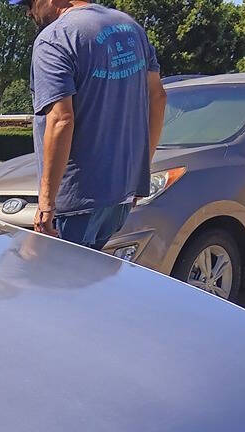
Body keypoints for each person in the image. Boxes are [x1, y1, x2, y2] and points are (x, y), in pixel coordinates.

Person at [10, 0, 167, 250]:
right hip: (119, 198)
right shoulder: (131, 28)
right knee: (88, 281)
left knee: (60, 284)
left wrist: (47, 204)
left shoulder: (54, 38)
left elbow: (61, 120)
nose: (29, 12)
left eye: (28, 4)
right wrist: (138, 174)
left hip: (76, 203)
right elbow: (158, 98)